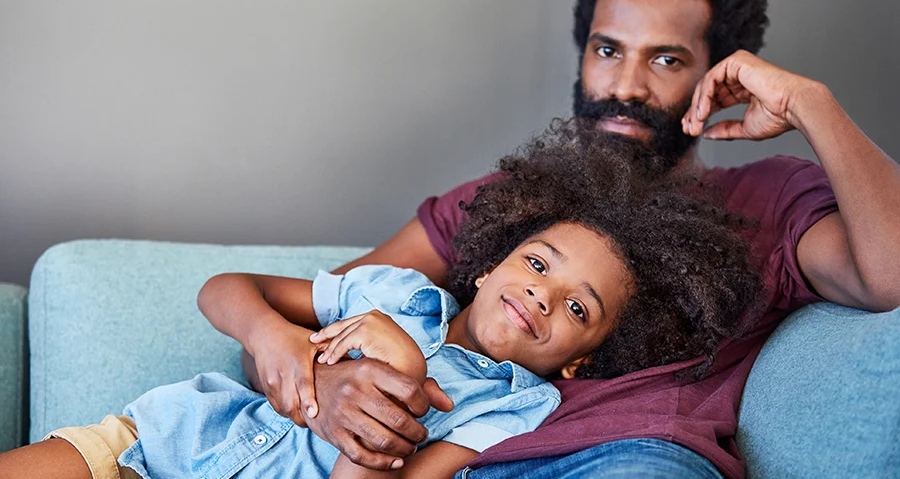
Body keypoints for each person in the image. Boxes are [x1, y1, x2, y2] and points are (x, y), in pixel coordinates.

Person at [234, 0, 900, 479]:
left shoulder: (766, 198)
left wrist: (811, 105)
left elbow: (891, 276)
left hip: (625, 457)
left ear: (718, 75)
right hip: (451, 461)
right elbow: (296, 328)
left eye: (667, 60)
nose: (627, 86)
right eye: (607, 50)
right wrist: (321, 393)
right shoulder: (512, 203)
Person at [0, 134, 764, 479]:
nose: (542, 292)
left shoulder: (514, 414)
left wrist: (398, 368)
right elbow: (225, 291)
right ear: (492, 259)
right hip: (160, 442)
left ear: (581, 358)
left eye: (578, 308)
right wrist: (275, 339)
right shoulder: (397, 291)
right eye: (537, 263)